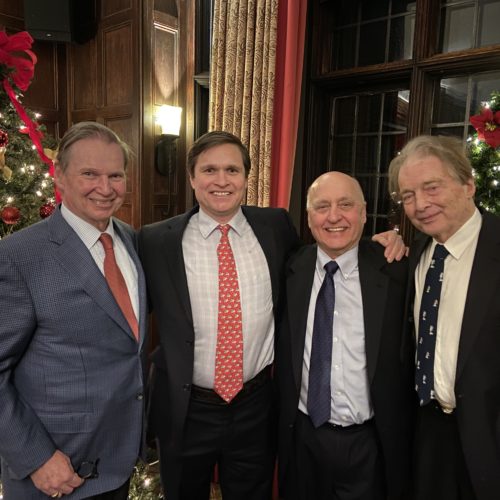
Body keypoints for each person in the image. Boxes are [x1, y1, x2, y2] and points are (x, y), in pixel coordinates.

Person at [139, 131, 405, 500]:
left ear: (246, 178)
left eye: (232, 170)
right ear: (192, 177)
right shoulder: (155, 241)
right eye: (209, 170)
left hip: (256, 407)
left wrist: (381, 242)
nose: (221, 180)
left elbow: (330, 247)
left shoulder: (275, 227)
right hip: (186, 410)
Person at [0, 122, 148, 499]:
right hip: (53, 473)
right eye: (90, 174)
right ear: (60, 176)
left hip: (116, 462)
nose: (105, 187)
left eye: (115, 175)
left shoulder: (132, 241)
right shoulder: (18, 256)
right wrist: (36, 458)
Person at [276, 171, 414, 500]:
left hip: (369, 443)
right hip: (302, 438)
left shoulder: (397, 270)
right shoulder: (289, 269)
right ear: (308, 217)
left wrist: (398, 240)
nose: (334, 216)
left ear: (364, 213)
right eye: (322, 206)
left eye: (346, 205)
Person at [388, 135, 500, 500]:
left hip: (490, 440)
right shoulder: (417, 255)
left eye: (431, 187)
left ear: (468, 184)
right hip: (428, 433)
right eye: (407, 195)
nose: (420, 205)